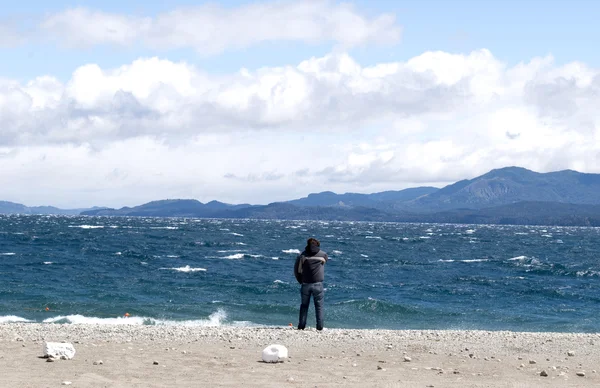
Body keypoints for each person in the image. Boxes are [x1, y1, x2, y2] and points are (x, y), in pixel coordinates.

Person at [293, 237, 328, 331]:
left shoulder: (302, 255)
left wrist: (300, 281)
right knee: (319, 306)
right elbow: (325, 261)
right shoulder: (323, 254)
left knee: (304, 306)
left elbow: (296, 270)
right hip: (318, 284)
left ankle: (301, 326)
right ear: (318, 245)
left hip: (305, 284)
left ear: (307, 245)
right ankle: (319, 327)